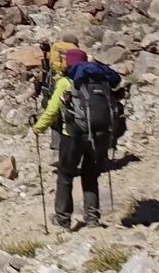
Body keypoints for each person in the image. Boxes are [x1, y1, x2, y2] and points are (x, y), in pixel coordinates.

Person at [34, 45, 126, 228]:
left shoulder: (66, 82)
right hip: (99, 135)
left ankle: (63, 220)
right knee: (90, 175)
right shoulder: (102, 81)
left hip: (73, 135)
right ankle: (92, 219)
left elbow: (52, 110)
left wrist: (38, 128)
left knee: (65, 174)